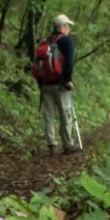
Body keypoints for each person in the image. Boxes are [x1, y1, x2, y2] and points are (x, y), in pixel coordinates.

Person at [37, 14, 82, 155]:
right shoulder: (66, 41)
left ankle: (52, 146)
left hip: (45, 84)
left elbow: (37, 64)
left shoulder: (45, 41)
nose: (69, 28)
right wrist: (68, 80)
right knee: (65, 114)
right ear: (62, 26)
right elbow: (69, 62)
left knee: (49, 116)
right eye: (68, 25)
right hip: (60, 85)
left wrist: (41, 83)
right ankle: (68, 145)